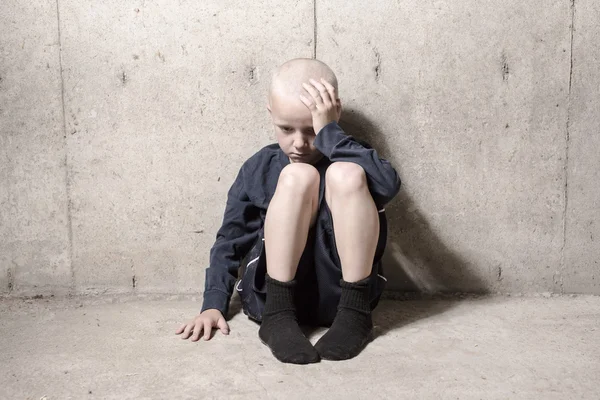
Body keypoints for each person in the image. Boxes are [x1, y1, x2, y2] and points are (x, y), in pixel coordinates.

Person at [176, 58, 401, 364]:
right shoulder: (261, 167)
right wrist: (212, 304)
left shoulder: (351, 154)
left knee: (345, 173)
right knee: (298, 175)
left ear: (335, 113)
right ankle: (278, 317)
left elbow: (388, 185)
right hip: (272, 299)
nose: (300, 144)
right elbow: (230, 240)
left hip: (345, 299)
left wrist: (331, 134)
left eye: (311, 130)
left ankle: (354, 315)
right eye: (286, 128)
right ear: (271, 114)